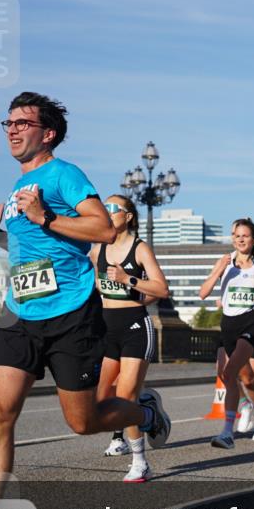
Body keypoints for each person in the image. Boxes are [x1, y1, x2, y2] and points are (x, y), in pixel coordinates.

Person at [0, 92, 170, 487]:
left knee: (84, 421)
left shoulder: (64, 174)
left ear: (48, 134)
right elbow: (31, 250)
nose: (11, 130)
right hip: (19, 311)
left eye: (21, 124)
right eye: (8, 123)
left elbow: (103, 228)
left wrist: (44, 215)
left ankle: (145, 413)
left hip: (71, 314)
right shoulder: (18, 186)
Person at [91, 195, 170, 482]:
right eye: (105, 207)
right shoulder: (97, 247)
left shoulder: (139, 249)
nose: (108, 212)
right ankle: (148, 408)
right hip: (107, 329)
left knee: (125, 397)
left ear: (128, 217)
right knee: (100, 402)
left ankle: (140, 461)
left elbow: (162, 288)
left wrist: (129, 280)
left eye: (114, 208)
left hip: (136, 326)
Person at [198, 218, 254, 449]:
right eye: (237, 235)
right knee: (242, 379)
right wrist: (218, 271)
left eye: (245, 236)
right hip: (229, 325)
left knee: (231, 371)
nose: (241, 239)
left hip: (253, 323)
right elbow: (203, 293)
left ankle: (227, 433)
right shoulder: (224, 262)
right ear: (232, 238)